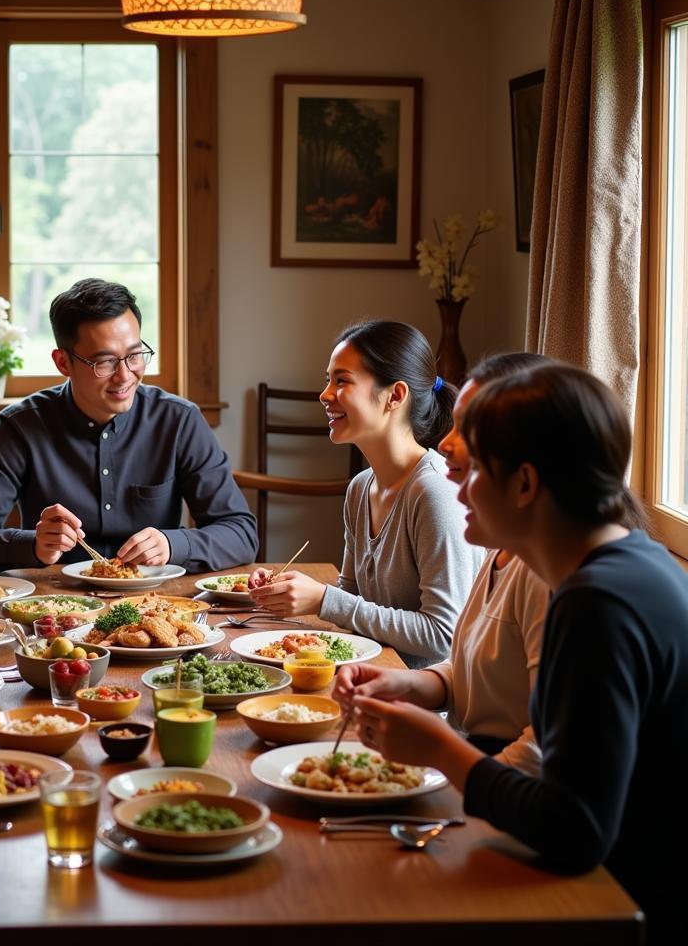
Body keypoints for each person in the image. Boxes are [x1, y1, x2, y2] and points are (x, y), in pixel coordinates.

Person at [349, 364, 688, 942]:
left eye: (472, 468)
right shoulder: (622, 562)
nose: (455, 485)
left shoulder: (597, 604)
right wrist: (426, 697)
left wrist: (439, 749)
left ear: (526, 485)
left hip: (617, 902)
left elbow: (575, 830)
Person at [0, 278, 258, 571]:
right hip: (56, 607)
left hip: (157, 604)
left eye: (135, 355)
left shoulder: (179, 420)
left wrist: (174, 544)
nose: (125, 375)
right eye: (105, 362)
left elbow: (241, 534)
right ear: (63, 362)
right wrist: (34, 545)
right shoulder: (21, 425)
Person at [333, 352, 551, 775]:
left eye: (466, 430)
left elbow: (542, 761)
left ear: (525, 480)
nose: (444, 445)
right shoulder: (507, 554)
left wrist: (439, 754)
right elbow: (475, 671)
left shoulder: (559, 582)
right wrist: (411, 684)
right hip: (477, 765)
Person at [249, 320, 484, 667]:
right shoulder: (361, 487)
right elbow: (353, 598)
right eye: (327, 379)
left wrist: (324, 600)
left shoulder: (434, 493)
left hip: (426, 704)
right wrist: (294, 591)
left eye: (341, 380)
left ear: (396, 395)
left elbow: (443, 636)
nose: (325, 394)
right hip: (370, 678)